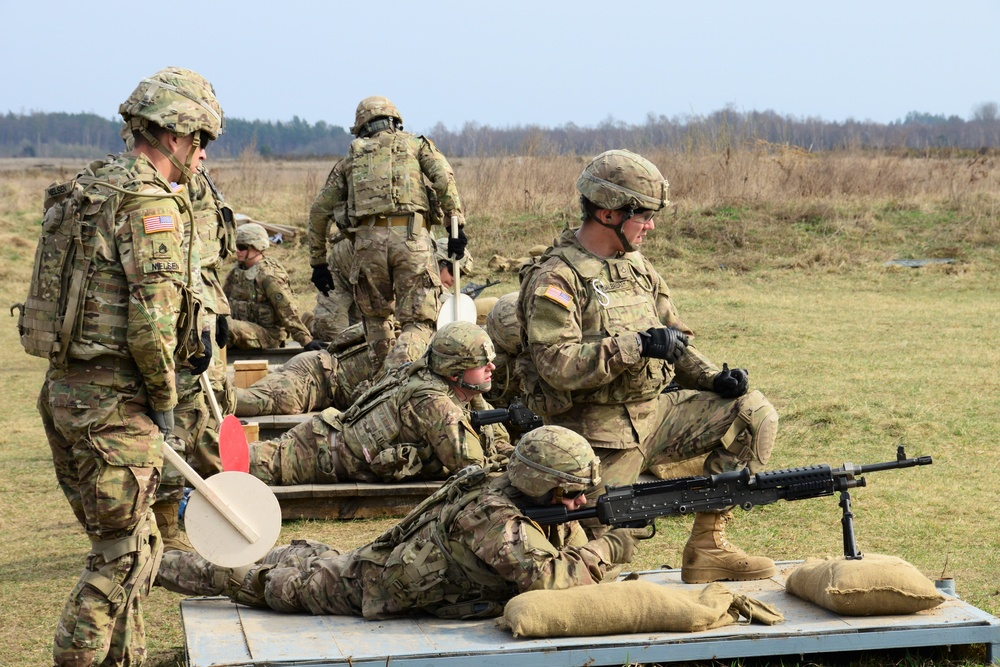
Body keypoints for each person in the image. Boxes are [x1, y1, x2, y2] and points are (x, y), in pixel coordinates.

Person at [25, 67, 223, 667]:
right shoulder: (147, 201)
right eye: (200, 141)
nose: (202, 155)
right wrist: (166, 401)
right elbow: (152, 322)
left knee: (127, 545)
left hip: (66, 393)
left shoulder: (88, 187)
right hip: (114, 406)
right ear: (173, 134)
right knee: (124, 561)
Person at [516, 149, 779, 585]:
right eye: (643, 215)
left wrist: (713, 377)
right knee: (617, 540)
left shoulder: (637, 266)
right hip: (595, 437)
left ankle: (708, 547)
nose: (651, 225)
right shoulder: (556, 278)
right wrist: (632, 346)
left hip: (653, 416)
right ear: (607, 213)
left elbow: (672, 336)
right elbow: (555, 365)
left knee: (754, 414)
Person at [157, 426, 643, 620]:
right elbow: (552, 579)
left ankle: (293, 551)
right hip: (370, 588)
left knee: (309, 556)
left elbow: (555, 544)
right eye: (572, 492)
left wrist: (597, 522)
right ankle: (156, 564)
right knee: (264, 582)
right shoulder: (494, 516)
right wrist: (612, 546)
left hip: (381, 567)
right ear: (539, 484)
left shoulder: (512, 491)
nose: (580, 501)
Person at [308, 95, 467, 371]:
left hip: (368, 246)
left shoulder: (351, 159)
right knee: (418, 319)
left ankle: (384, 380)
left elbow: (319, 211)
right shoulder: (416, 145)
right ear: (395, 121)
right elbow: (444, 178)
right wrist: (455, 225)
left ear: (361, 127)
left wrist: (318, 262)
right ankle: (403, 371)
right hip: (412, 240)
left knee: (376, 319)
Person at [247, 320, 510, 485]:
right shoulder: (434, 403)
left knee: (240, 458)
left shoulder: (456, 388)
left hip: (326, 437)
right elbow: (471, 466)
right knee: (235, 464)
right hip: (320, 457)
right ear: (454, 371)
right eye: (480, 363)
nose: (491, 367)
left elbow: (496, 441)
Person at [155, 165, 239, 553]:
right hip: (183, 311)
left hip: (205, 302)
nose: (202, 149)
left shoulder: (197, 176)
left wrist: (218, 310)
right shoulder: (164, 180)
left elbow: (207, 257)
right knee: (182, 412)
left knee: (214, 405)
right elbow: (177, 258)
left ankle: (218, 505)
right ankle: (165, 523)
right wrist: (199, 325)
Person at [224, 222, 324, 351]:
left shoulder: (268, 274)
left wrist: (305, 340)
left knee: (226, 326)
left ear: (258, 247)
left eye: (242, 247)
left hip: (268, 335)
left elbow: (286, 309)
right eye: (235, 246)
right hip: (245, 329)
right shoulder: (236, 271)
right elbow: (223, 301)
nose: (237, 251)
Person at [235, 323, 371, 417]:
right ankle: (215, 400)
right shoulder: (387, 343)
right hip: (312, 381)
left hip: (316, 363)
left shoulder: (385, 331)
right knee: (257, 401)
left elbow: (343, 339)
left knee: (256, 391)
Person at [306, 231, 360, 341]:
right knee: (331, 332)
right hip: (347, 249)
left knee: (370, 333)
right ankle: (310, 324)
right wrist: (318, 262)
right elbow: (319, 216)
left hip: (388, 246)